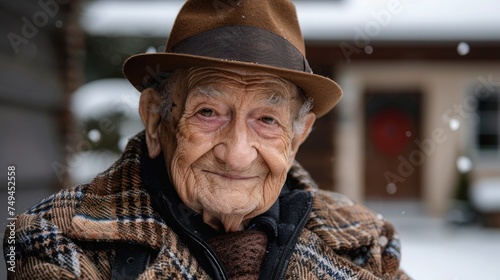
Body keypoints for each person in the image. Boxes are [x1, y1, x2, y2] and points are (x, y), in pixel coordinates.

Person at [4, 0, 411, 279]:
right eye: (208, 113)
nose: (236, 154)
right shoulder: (55, 235)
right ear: (154, 118)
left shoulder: (366, 241)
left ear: (298, 135)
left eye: (266, 119)